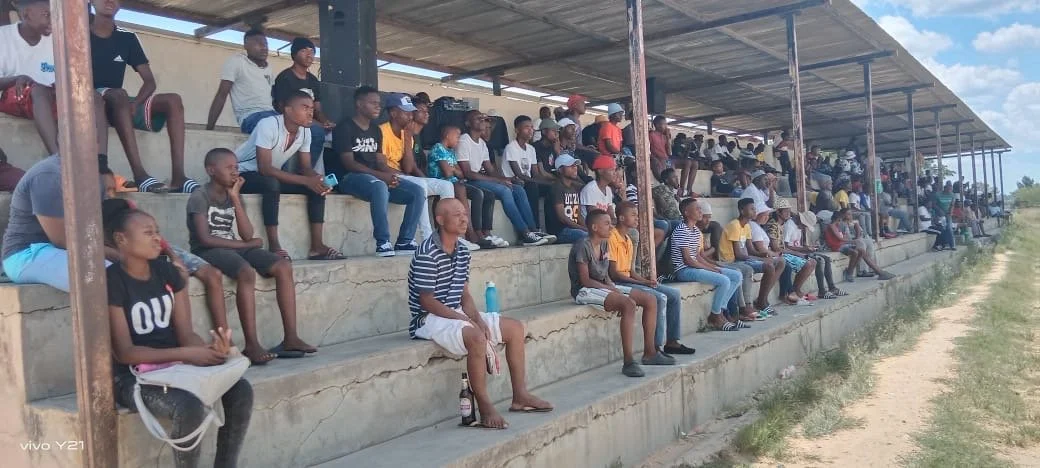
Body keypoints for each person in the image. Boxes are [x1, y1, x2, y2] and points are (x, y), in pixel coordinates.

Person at [103, 200, 253, 467]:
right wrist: (187, 353)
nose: (157, 237)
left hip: (174, 366)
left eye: (157, 230)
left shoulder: (169, 273)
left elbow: (186, 334)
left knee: (240, 389)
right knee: (188, 406)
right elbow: (125, 352)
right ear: (121, 239)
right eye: (147, 232)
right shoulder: (111, 282)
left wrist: (209, 351)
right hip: (133, 378)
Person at [408, 198, 552, 429]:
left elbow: (464, 294)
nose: (464, 219)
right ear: (440, 220)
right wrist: (466, 322)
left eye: (465, 213)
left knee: (514, 328)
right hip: (428, 319)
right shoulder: (427, 252)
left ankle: (520, 396)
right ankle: (485, 407)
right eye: (457, 215)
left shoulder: (463, 250)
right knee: (476, 338)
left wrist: (475, 318)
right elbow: (427, 302)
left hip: (454, 312)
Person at [189, 148, 317, 365]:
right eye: (229, 167)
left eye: (236, 167)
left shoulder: (232, 195)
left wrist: (236, 199)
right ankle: (251, 344)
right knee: (246, 272)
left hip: (234, 245)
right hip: (208, 250)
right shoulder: (199, 196)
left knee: (282, 266)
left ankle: (291, 338)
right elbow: (204, 239)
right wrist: (244, 244)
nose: (234, 172)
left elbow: (247, 233)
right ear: (211, 170)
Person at [89, 0, 197, 194]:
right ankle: (140, 175)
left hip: (117, 103)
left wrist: (136, 103)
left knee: (173, 100)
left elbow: (149, 81)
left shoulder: (127, 38)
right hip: (89, 101)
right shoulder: (79, 33)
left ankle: (179, 177)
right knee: (118, 94)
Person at [234, 91, 340, 260]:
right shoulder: (267, 125)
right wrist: (307, 180)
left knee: (316, 188)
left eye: (312, 108)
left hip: (270, 174)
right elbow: (265, 168)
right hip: (242, 173)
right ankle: (274, 246)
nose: (310, 112)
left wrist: (318, 180)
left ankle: (317, 247)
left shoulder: (305, 131)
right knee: (271, 184)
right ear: (288, 110)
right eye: (304, 107)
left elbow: (306, 168)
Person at [568, 209, 674, 377]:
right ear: (594, 227)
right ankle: (628, 361)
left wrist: (613, 287)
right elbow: (585, 281)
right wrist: (612, 290)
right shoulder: (583, 245)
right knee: (628, 304)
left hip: (602, 286)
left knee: (650, 299)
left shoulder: (603, 243)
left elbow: (606, 275)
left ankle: (650, 352)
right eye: (607, 223)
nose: (611, 226)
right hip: (584, 290)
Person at [1, 0, 109, 157]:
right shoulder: (3, 37)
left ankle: (101, 163)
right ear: (26, 15)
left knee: (93, 97)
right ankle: (57, 158)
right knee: (38, 90)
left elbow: (63, 79)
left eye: (55, 15)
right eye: (47, 15)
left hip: (46, 97)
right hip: (13, 94)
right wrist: (17, 78)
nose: (53, 20)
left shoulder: (57, 40)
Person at [329, 86, 426, 256]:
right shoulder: (345, 127)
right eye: (373, 103)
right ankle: (383, 242)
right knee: (379, 186)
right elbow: (349, 164)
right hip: (349, 178)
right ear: (359, 104)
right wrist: (383, 177)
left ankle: (404, 241)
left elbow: (380, 162)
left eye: (379, 103)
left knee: (416, 191)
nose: (378, 107)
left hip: (373, 178)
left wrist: (391, 175)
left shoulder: (375, 130)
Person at [2, 154, 112, 291]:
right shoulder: (48, 174)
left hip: (64, 249)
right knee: (109, 280)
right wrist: (120, 256)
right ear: (61, 139)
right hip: (27, 254)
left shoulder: (91, 174)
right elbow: (63, 241)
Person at [457, 110, 553, 247]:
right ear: (468, 123)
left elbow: (490, 170)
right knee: (505, 191)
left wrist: (505, 178)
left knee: (518, 189)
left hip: (480, 179)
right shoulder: (464, 140)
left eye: (483, 119)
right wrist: (498, 181)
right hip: (470, 181)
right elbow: (468, 173)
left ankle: (533, 230)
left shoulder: (482, 144)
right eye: (478, 119)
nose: (482, 121)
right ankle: (524, 233)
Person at [610, 202, 695, 355]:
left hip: (629, 279)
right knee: (659, 297)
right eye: (633, 215)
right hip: (619, 283)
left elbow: (630, 271)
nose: (637, 218)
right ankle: (655, 348)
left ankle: (672, 342)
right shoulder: (612, 238)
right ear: (622, 218)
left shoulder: (628, 239)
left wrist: (646, 281)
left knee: (674, 295)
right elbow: (615, 274)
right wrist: (639, 283)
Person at [380, 93, 463, 245]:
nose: (410, 116)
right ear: (393, 113)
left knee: (447, 185)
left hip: (402, 176)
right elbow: (381, 166)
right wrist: (410, 177)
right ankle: (428, 237)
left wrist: (406, 139)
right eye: (406, 112)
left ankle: (448, 236)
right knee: (420, 184)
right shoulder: (382, 132)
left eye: (411, 112)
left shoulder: (407, 135)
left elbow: (408, 167)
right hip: (386, 177)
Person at [667, 198, 746, 331]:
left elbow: (698, 256)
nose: (700, 211)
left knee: (737, 275)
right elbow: (688, 260)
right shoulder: (681, 230)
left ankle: (720, 310)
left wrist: (713, 267)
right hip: (684, 270)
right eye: (697, 208)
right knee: (724, 280)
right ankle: (715, 316)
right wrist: (710, 269)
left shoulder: (696, 231)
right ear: (686, 212)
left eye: (700, 208)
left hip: (694, 266)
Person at [428, 125, 493, 249]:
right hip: (440, 183)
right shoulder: (438, 148)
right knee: (461, 188)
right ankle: (470, 235)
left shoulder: (451, 151)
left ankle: (479, 232)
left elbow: (460, 173)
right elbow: (447, 173)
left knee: (479, 193)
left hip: (454, 182)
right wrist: (453, 169)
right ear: (447, 136)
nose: (458, 140)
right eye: (457, 137)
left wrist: (452, 169)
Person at [271, 37, 334, 165]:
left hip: (309, 123)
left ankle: (319, 175)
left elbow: (317, 108)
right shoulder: (285, 77)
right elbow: (283, 108)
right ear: (294, 54)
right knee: (317, 132)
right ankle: (305, 172)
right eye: (304, 51)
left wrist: (324, 121)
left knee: (335, 134)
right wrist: (316, 124)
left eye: (312, 51)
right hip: (289, 122)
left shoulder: (313, 80)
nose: (309, 55)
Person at [721, 198, 784, 315]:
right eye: (751, 209)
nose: (755, 211)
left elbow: (751, 250)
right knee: (768, 266)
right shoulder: (734, 225)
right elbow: (738, 254)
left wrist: (764, 254)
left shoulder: (747, 226)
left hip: (743, 258)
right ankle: (757, 303)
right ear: (741, 210)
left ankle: (762, 299)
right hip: (731, 261)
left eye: (754, 209)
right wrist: (761, 259)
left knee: (780, 262)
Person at [207, 29, 276, 134]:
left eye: (265, 43)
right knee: (273, 126)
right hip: (251, 117)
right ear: (246, 46)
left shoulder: (268, 68)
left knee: (304, 129)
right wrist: (209, 129)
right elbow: (221, 95)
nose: (264, 47)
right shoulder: (237, 62)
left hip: (272, 114)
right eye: (258, 43)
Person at [503, 115, 555, 232]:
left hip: (528, 182)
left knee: (553, 190)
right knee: (532, 187)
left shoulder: (531, 149)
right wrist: (546, 182)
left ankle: (551, 229)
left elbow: (535, 173)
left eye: (531, 127)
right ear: (517, 130)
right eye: (526, 127)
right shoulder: (511, 147)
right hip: (514, 182)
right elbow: (519, 175)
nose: (530, 130)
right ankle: (535, 229)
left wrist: (550, 183)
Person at [762, 200, 817, 305]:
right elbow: (776, 248)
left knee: (812, 261)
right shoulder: (773, 225)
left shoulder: (781, 224)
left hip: (783, 253)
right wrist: (796, 253)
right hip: (776, 254)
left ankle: (794, 291)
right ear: (778, 212)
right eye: (786, 211)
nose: (789, 213)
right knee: (804, 263)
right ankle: (791, 293)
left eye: (789, 211)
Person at [783, 208, 846, 299]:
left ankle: (832, 287)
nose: (804, 227)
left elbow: (797, 244)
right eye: (804, 225)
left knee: (827, 259)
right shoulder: (789, 225)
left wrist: (808, 247)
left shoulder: (798, 226)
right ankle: (821, 291)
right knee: (819, 260)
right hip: (792, 253)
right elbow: (786, 247)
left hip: (799, 251)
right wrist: (804, 248)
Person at [824, 208, 895, 282]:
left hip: (842, 245)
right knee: (855, 252)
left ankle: (878, 271)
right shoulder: (832, 226)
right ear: (837, 219)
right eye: (839, 221)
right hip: (837, 247)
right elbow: (840, 239)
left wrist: (851, 240)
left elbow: (843, 237)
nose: (840, 222)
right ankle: (850, 272)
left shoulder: (837, 226)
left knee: (861, 251)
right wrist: (853, 241)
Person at [548, 155, 588, 244]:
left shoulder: (574, 187)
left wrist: (588, 228)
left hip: (574, 229)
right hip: (561, 231)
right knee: (586, 237)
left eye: (575, 165)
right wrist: (583, 228)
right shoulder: (557, 187)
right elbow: (562, 217)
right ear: (560, 170)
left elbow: (578, 215)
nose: (575, 168)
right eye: (570, 165)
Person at [581, 155, 619, 222]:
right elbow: (595, 218)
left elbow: (611, 216)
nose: (614, 173)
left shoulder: (608, 190)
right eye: (611, 170)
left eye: (614, 170)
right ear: (600, 171)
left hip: (604, 225)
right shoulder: (590, 189)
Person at [648, 115, 671, 181]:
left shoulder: (664, 137)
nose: (665, 126)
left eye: (665, 124)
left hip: (665, 160)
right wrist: (653, 158)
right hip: (656, 159)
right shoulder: (651, 135)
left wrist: (668, 138)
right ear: (657, 125)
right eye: (663, 124)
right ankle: (662, 182)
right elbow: (648, 149)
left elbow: (669, 153)